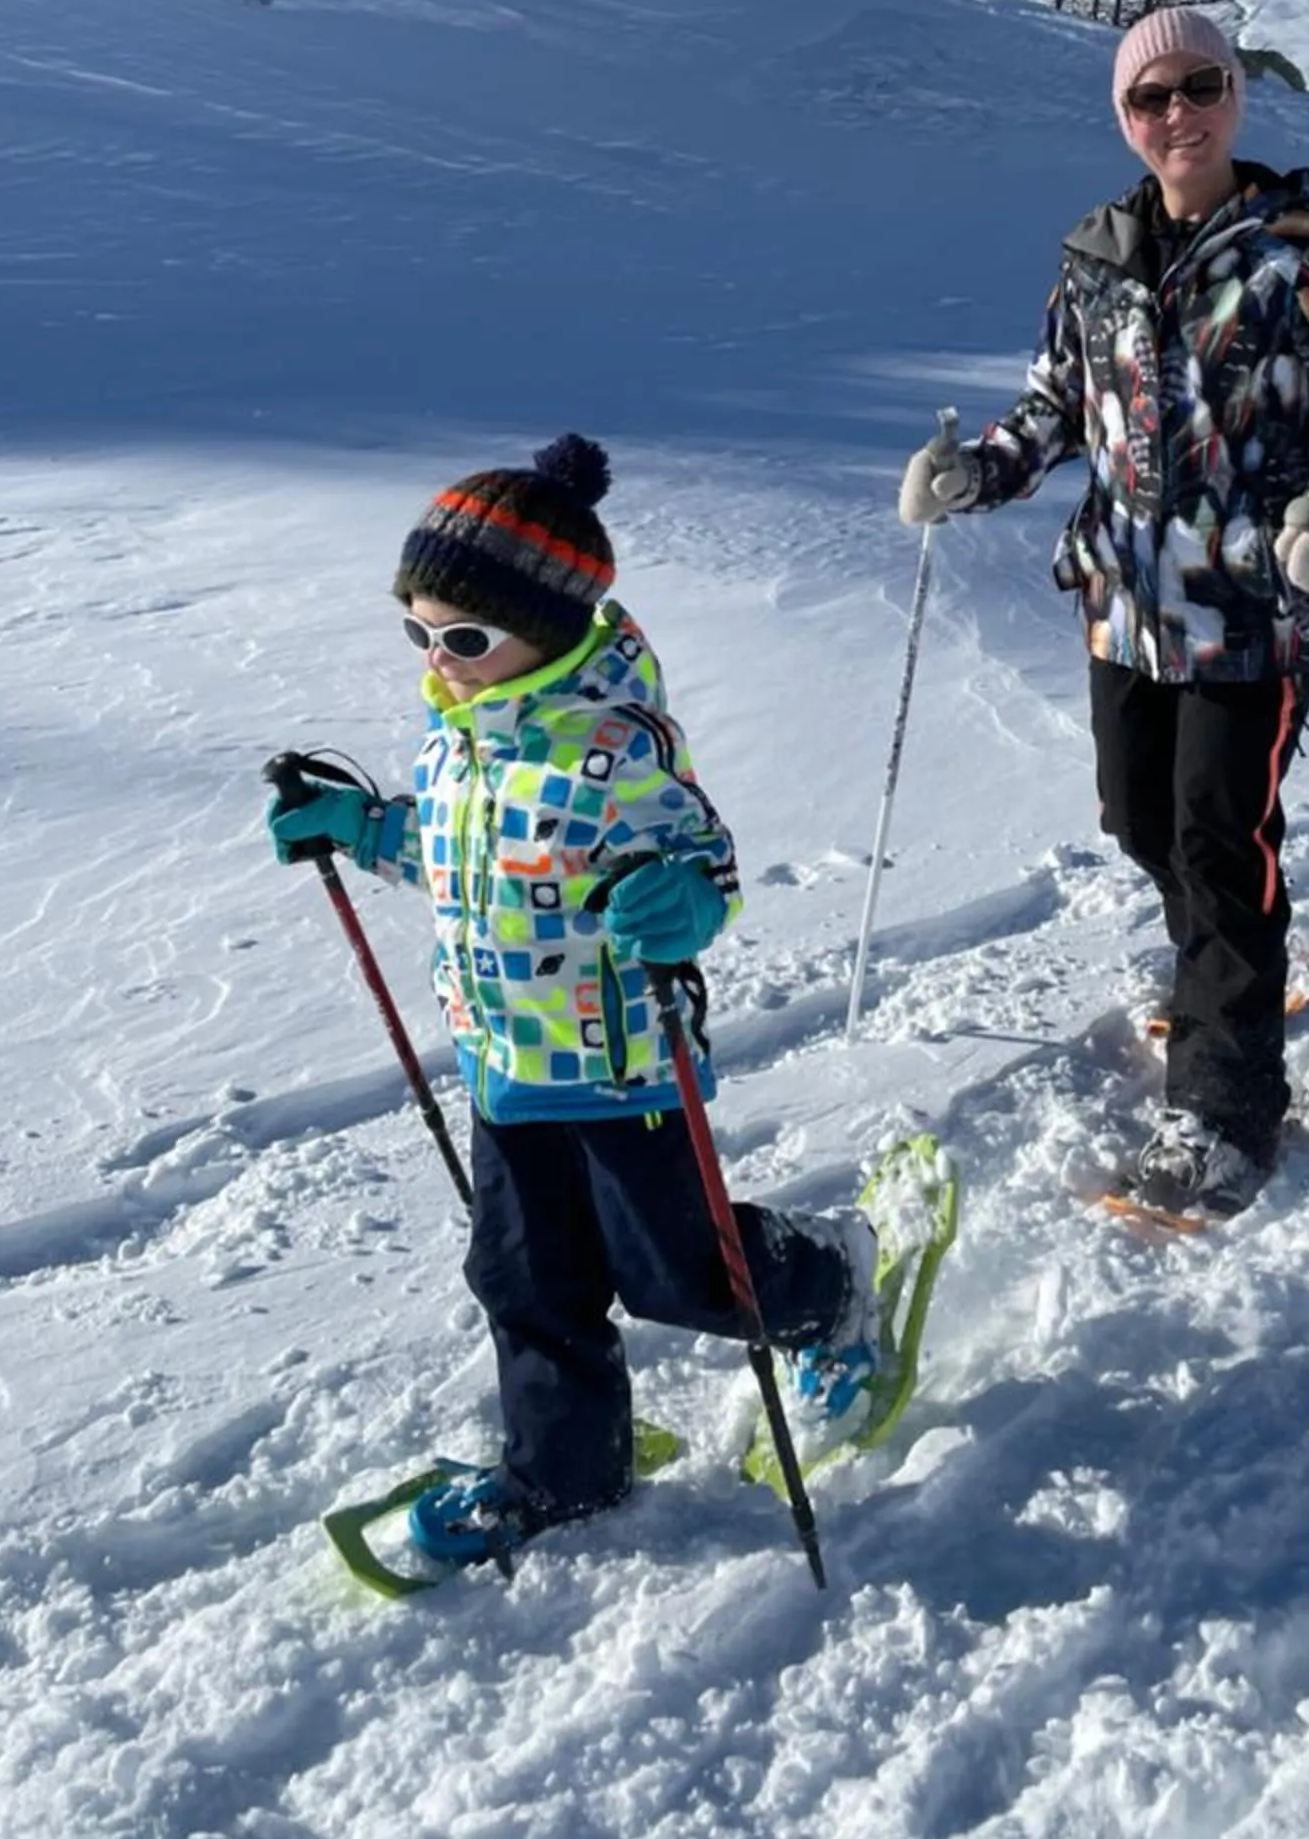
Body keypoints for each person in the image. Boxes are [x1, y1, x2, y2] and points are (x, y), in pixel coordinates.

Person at [266, 432, 882, 1565]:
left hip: (621, 1070)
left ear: (543, 630)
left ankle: (832, 1282)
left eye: (463, 638)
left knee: (678, 1275)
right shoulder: (459, 737)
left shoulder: (614, 744)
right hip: (503, 1066)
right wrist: (359, 827)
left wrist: (682, 903)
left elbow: (705, 863)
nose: (438, 659)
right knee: (523, 1280)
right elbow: (454, 856)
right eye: (418, 631)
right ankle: (565, 1473)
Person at [900, 8, 1309, 1223]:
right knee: (1140, 819)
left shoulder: (1306, 255)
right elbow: (1055, 408)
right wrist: (976, 473)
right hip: (1127, 605)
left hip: (1255, 607)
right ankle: (1224, 969)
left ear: (1237, 95)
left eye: (1202, 86)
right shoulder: (1098, 257)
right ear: (1124, 118)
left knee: (1217, 839)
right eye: (1150, 96)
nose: (1179, 114)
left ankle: (1227, 1108)